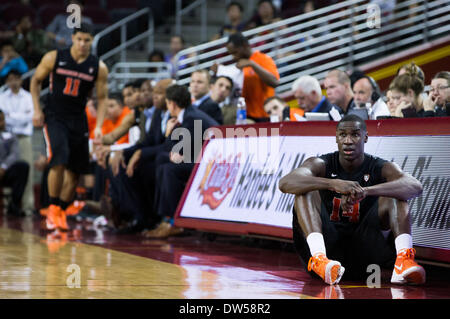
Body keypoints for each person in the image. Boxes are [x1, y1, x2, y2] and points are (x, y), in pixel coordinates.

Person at [279, 114, 425, 285]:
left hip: (365, 254)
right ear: (336, 138)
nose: (348, 140)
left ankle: (403, 261)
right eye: (342, 135)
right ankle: (319, 258)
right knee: (305, 191)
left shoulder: (379, 166)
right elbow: (285, 183)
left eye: (355, 134)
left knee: (397, 194)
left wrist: (366, 191)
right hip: (329, 249)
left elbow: (415, 186)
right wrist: (333, 184)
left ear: (366, 137)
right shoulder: (321, 163)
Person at [30, 23, 108, 232]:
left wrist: (99, 125)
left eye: (87, 40)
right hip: (55, 115)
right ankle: (53, 207)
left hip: (78, 118)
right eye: (80, 39)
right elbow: (35, 81)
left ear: (92, 41)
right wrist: (37, 109)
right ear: (73, 38)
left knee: (76, 172)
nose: (83, 44)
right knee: (59, 158)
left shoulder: (98, 67)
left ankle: (61, 211)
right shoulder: (54, 57)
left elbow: (102, 98)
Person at [143, 84, 219, 238]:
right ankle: (164, 219)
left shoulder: (191, 118)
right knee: (162, 163)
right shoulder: (189, 115)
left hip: (212, 164)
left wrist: (169, 133)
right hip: (201, 158)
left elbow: (176, 151)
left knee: (168, 169)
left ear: (172, 103)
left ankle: (172, 221)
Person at [103, 78, 174, 233]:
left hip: (170, 158)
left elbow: (171, 146)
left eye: (159, 93)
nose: (155, 96)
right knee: (122, 163)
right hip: (156, 156)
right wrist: (122, 152)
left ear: (170, 96)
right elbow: (148, 141)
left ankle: (147, 217)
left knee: (138, 169)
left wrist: (140, 153)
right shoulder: (157, 113)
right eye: (154, 92)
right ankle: (134, 215)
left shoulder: (175, 114)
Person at [0, 69, 35, 215]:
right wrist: (19, 117)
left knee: (28, 171)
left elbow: (29, 117)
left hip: (23, 137)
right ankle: (9, 205)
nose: (14, 82)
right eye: (11, 79)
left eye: (17, 79)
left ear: (21, 80)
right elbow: (3, 117)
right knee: (6, 168)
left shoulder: (28, 97)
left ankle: (28, 207)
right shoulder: (2, 96)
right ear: (7, 81)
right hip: (4, 137)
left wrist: (11, 117)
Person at [225, 32, 279, 121]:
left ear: (245, 45)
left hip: (264, 116)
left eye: (235, 52)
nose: (233, 57)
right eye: (231, 54)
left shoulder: (263, 59)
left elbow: (275, 82)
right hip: (246, 115)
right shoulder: (239, 64)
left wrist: (252, 64)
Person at [0, 110, 30, 216]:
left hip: (4, 171)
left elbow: (14, 154)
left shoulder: (10, 135)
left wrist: (3, 167)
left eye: (3, 120)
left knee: (23, 167)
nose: (2, 123)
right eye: (0, 120)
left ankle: (14, 205)